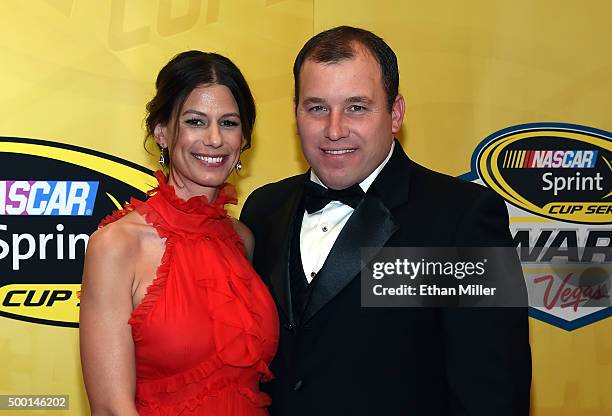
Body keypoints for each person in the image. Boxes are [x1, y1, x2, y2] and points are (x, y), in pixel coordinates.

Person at [240, 26, 531, 415]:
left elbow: (495, 394)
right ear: (295, 113)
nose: (334, 129)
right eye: (317, 107)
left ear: (395, 113)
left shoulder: (462, 218)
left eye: (357, 107)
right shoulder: (263, 209)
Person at [80, 51, 278, 416]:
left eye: (230, 123)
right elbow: (111, 408)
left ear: (244, 138)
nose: (215, 139)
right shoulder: (117, 245)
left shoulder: (242, 239)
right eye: (195, 121)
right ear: (162, 132)